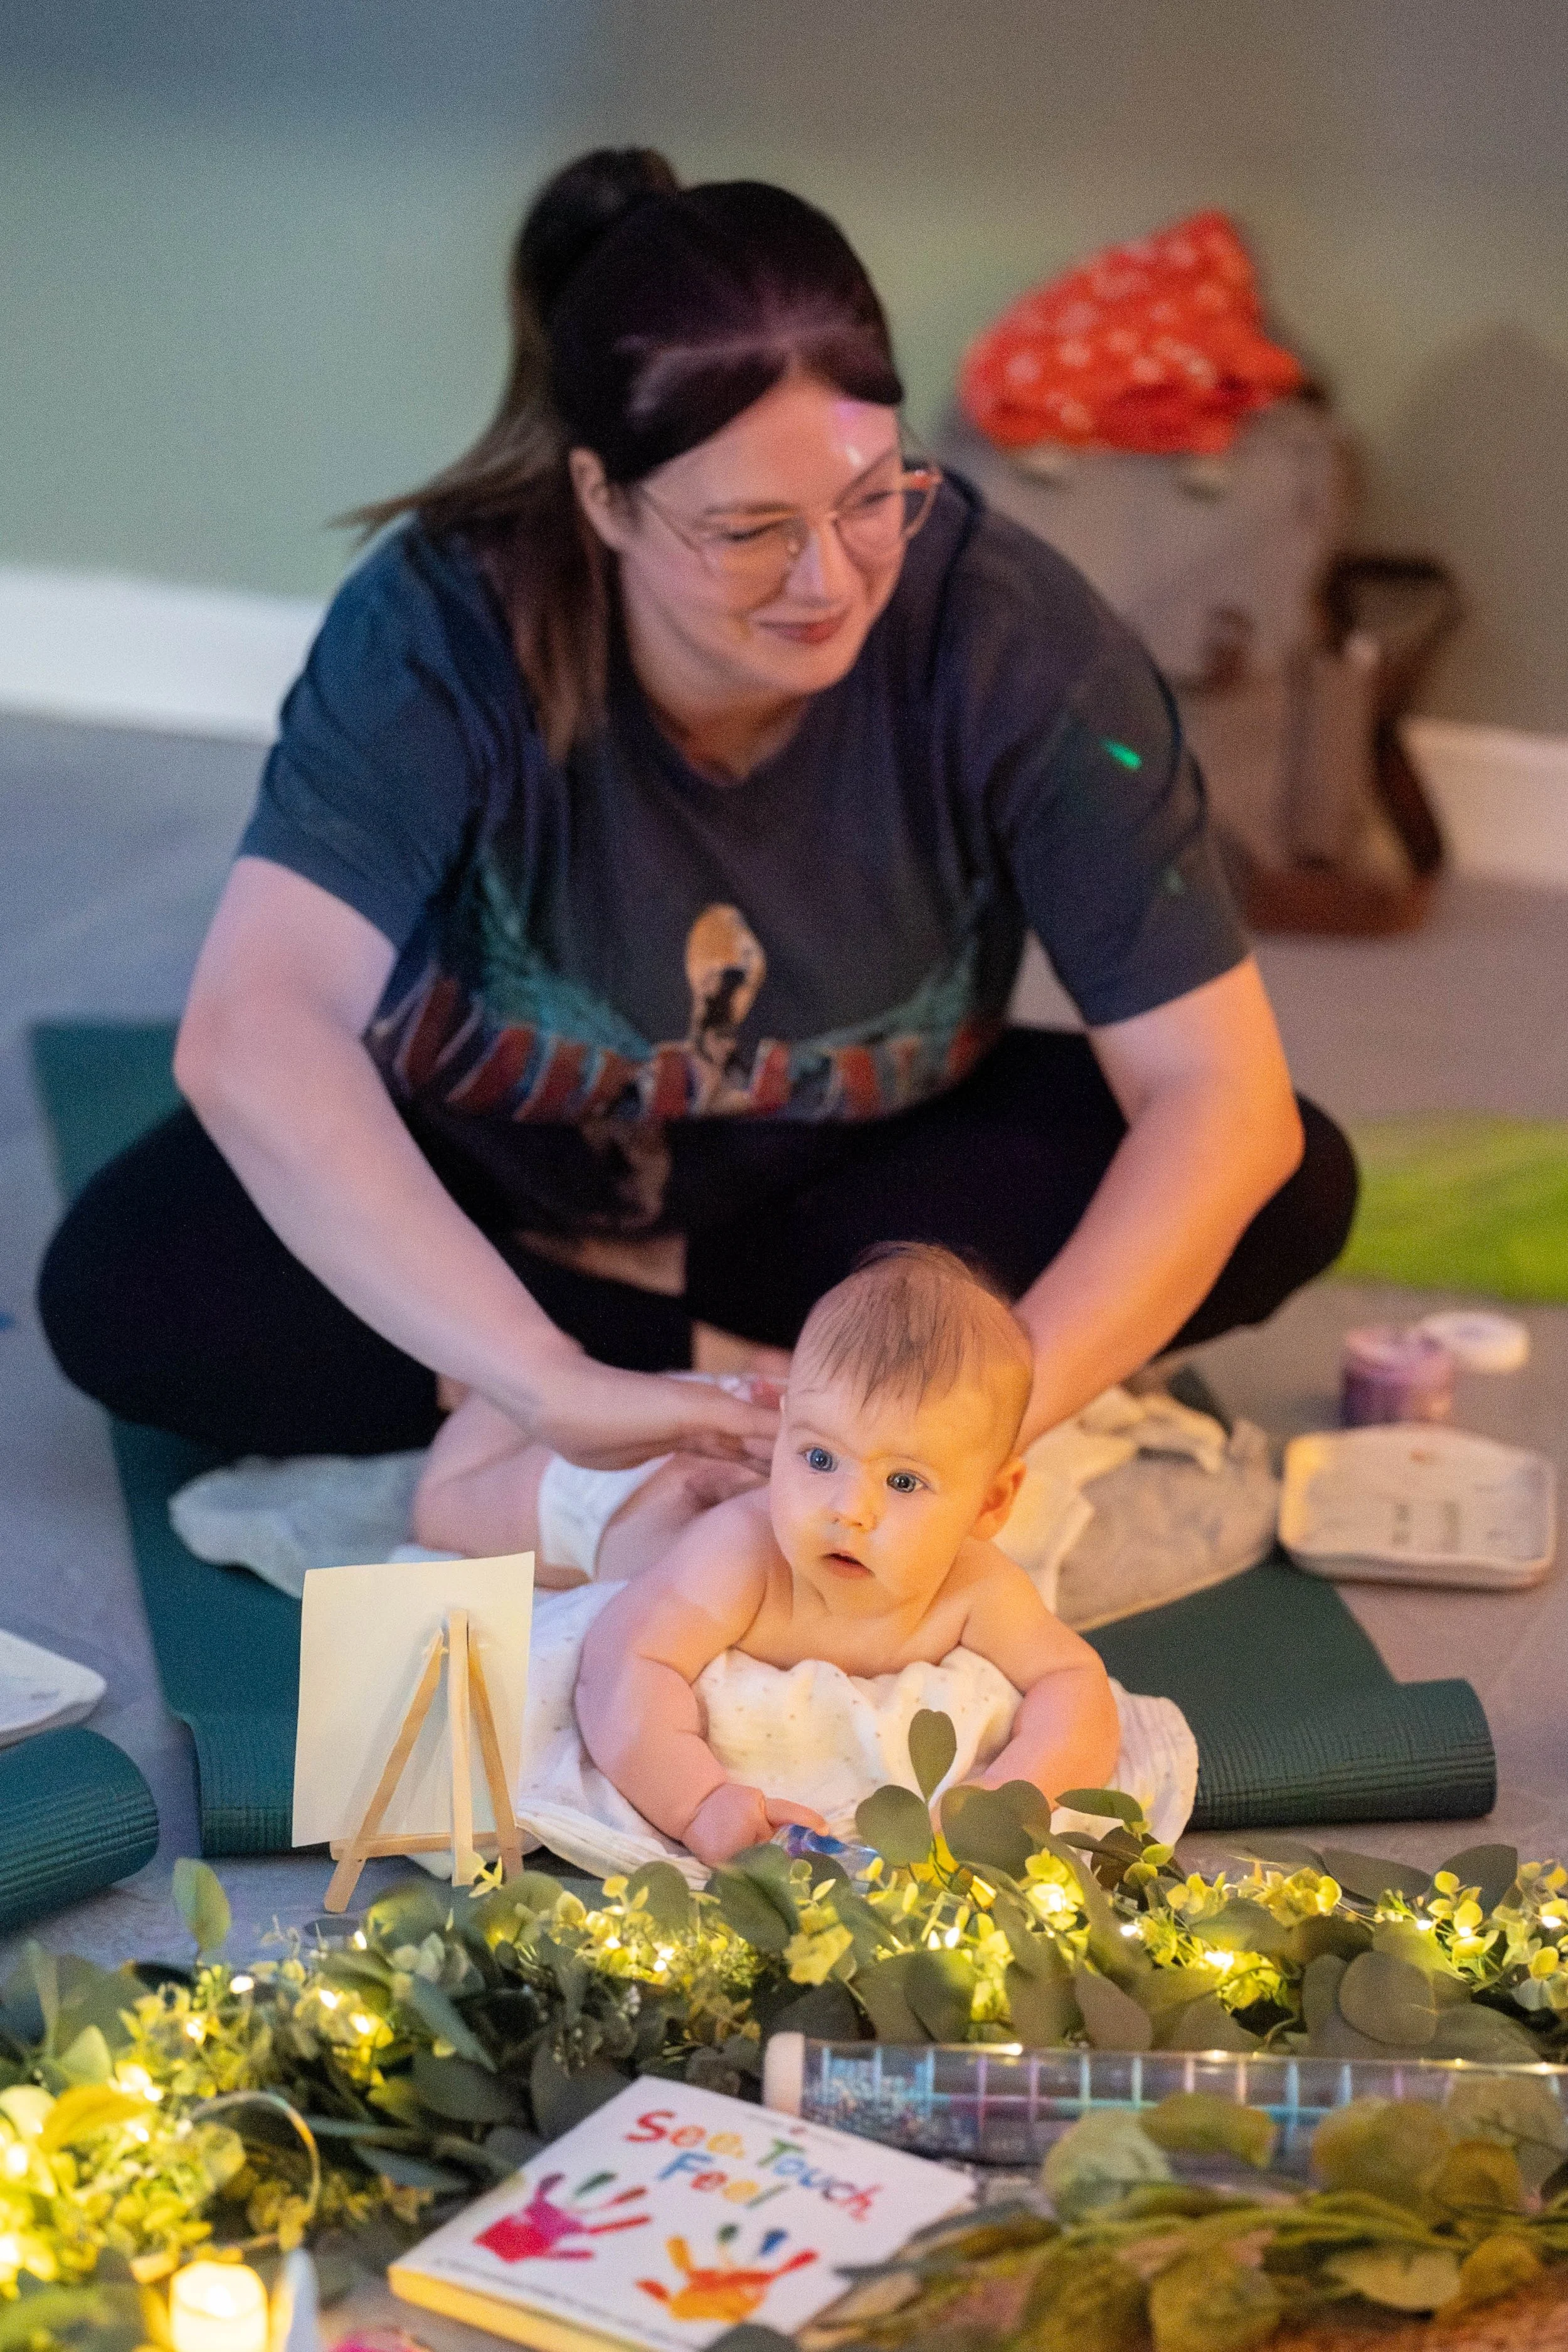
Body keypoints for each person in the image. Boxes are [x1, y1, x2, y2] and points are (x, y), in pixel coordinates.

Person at [37, 147, 1355, 1488]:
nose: (827, 579)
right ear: (603, 497)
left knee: (1287, 1184)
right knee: (135, 1292)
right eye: (747, 532)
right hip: (490, 1182)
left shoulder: (1015, 640)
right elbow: (252, 1030)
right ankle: (733, 1373)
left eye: (868, 500)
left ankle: (699, 1369)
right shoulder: (438, 625)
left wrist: (983, 1424)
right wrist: (543, 1378)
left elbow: (1218, 1100)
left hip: (829, 1197)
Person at [573, 1246, 1120, 1868]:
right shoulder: (739, 1557)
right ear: (784, 1436)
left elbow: (1075, 1685)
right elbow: (622, 1660)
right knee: (472, 1503)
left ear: (990, 1504)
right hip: (630, 1497)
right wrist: (698, 1801)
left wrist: (1004, 1799)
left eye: (904, 1482)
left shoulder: (977, 1588)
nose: (848, 1511)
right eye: (819, 1458)